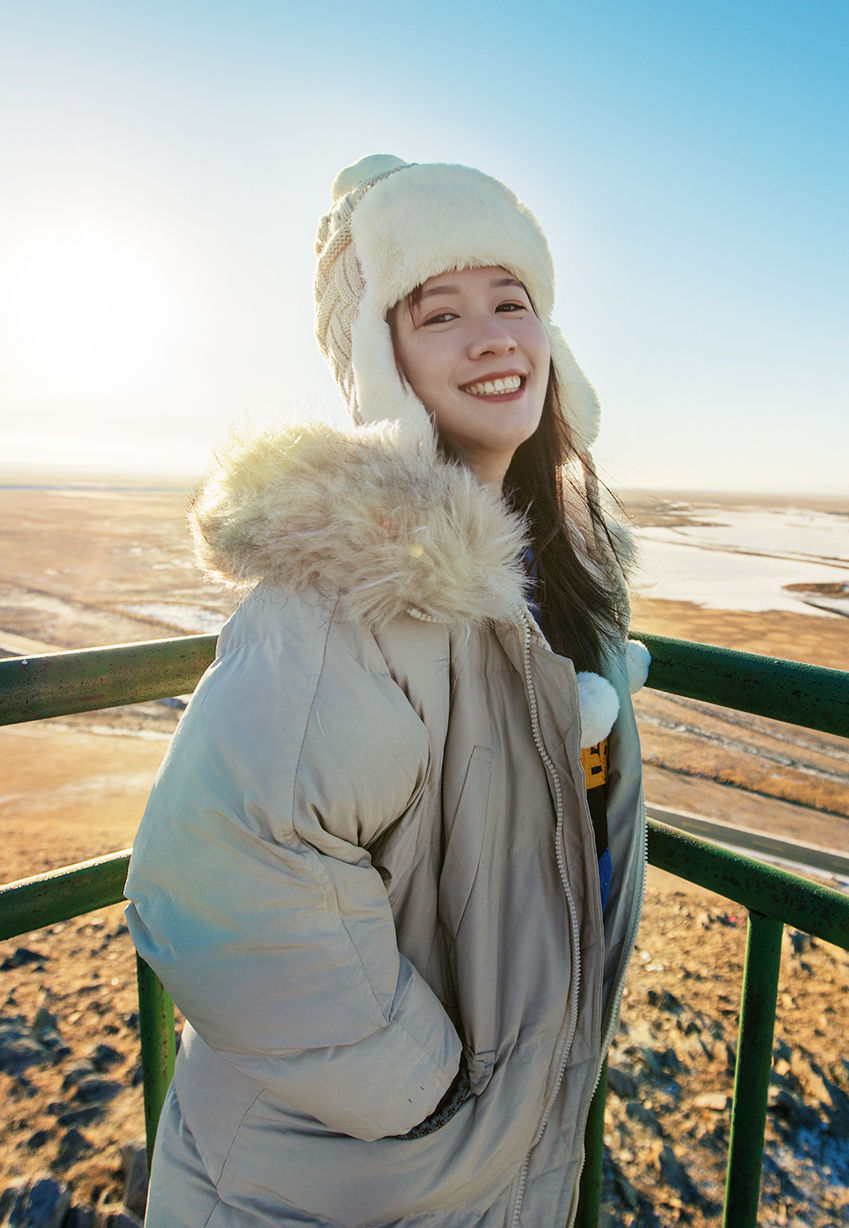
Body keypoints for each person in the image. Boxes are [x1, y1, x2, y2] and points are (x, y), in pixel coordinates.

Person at [124, 154, 649, 1226]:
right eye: (440, 311)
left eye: (514, 301)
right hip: (327, 1185)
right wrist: (426, 1088)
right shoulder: (347, 590)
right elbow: (216, 875)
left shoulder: (555, 584)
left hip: (470, 1174)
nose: (495, 335)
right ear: (382, 360)